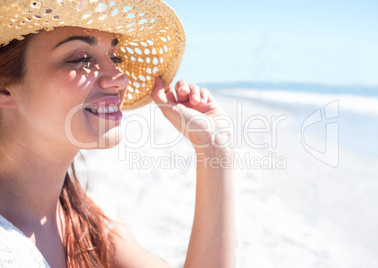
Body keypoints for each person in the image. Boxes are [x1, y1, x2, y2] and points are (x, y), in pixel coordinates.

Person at [0, 1, 235, 268]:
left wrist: (215, 149)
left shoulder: (87, 223)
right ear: (4, 89)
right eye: (81, 59)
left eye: (115, 58)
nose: (120, 78)